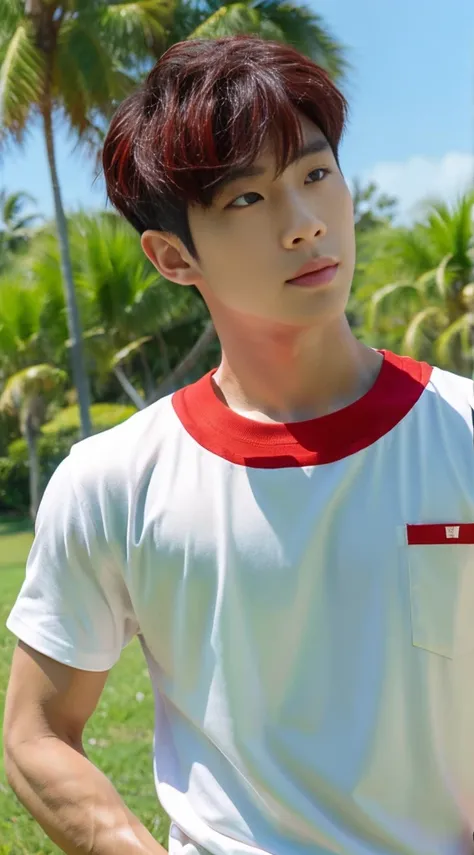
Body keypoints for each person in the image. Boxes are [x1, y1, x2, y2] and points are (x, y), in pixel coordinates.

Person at [3, 33, 474, 855]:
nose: (302, 225)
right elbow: (37, 731)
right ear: (173, 255)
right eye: (247, 201)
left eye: (315, 175)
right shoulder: (113, 480)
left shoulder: (464, 432)